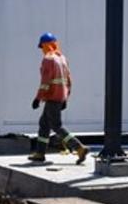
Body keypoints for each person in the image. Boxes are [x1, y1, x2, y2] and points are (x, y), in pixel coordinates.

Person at [29, 32, 89, 164]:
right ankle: (40, 153)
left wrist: (38, 98)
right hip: (59, 96)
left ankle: (79, 147)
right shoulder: (62, 58)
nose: (42, 50)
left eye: (42, 47)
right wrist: (65, 98)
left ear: (45, 45)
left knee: (56, 125)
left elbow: (45, 81)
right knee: (44, 124)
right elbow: (69, 80)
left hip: (51, 96)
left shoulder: (48, 59)